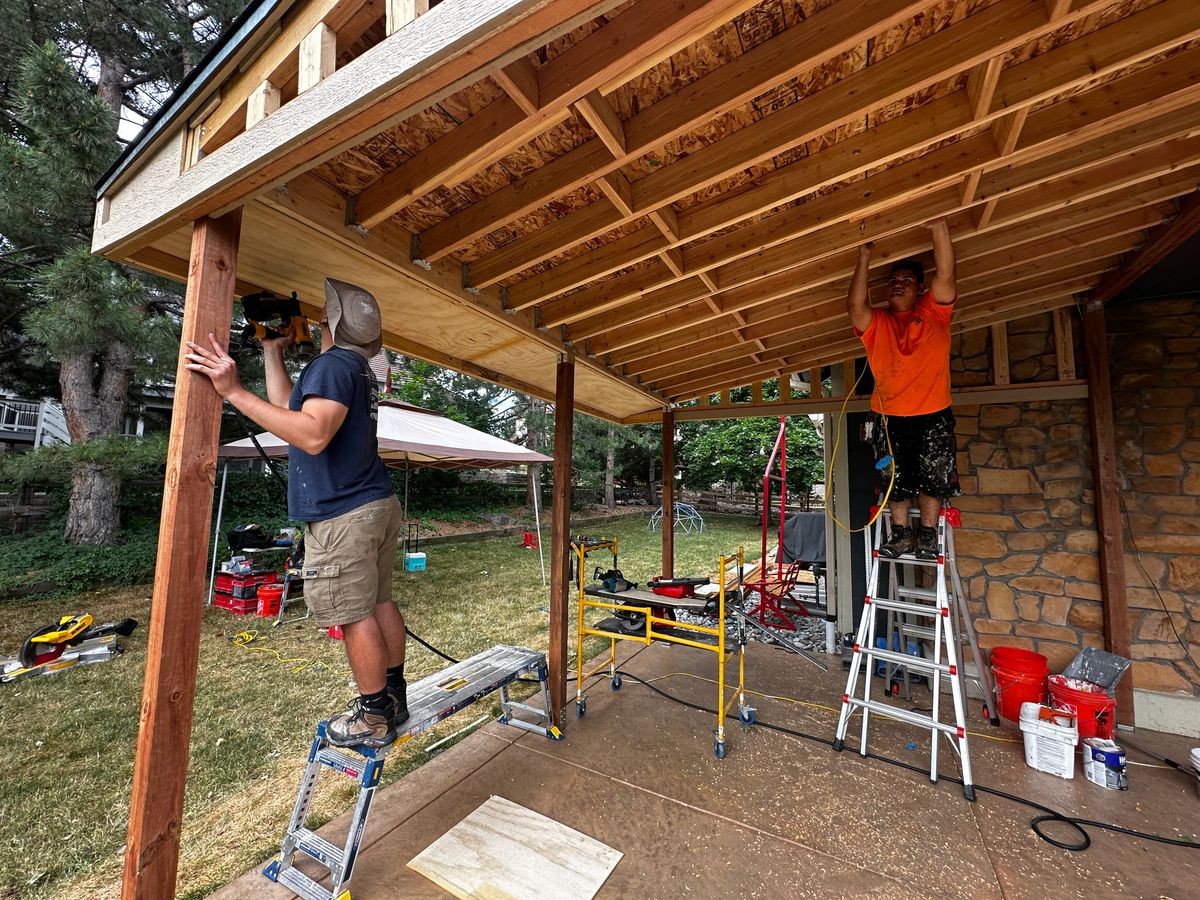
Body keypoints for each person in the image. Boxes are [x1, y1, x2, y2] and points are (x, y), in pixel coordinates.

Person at [185, 278, 408, 748]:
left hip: (343, 510)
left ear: (328, 321)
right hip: (374, 502)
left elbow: (309, 434)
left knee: (352, 613)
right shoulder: (353, 367)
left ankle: (372, 719)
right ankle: (392, 696)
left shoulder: (331, 365)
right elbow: (288, 407)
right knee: (379, 600)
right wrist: (273, 352)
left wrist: (231, 390)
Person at [846, 218, 959, 560]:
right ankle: (900, 535)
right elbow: (855, 307)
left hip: (934, 412)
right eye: (893, 281)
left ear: (920, 289)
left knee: (933, 476)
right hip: (888, 417)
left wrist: (939, 227)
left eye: (906, 281)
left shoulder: (934, 312)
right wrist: (863, 257)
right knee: (893, 478)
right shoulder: (877, 323)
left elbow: (946, 275)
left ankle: (926, 536)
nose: (898, 285)